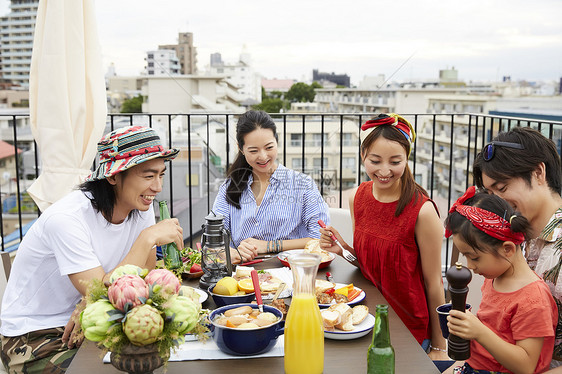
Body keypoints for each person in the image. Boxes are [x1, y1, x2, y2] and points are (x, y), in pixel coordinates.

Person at [0, 126, 184, 373]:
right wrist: (147, 238)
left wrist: (89, 301)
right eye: (148, 176)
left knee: (161, 355)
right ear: (113, 177)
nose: (158, 187)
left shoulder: (141, 205)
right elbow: (99, 290)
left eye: (161, 175)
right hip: (34, 335)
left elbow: (138, 278)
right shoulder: (67, 219)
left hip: (93, 319)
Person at [319, 113, 448, 359]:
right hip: (364, 319)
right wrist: (341, 248)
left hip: (409, 329)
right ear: (363, 157)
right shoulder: (357, 196)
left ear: (407, 159)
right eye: (375, 161)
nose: (384, 170)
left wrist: (440, 347)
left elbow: (434, 284)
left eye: (395, 161)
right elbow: (368, 265)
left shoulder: (423, 210)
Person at [472, 126, 562, 368]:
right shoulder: (511, 233)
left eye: (502, 189)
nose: (496, 202)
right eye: (490, 193)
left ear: (538, 172)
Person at [444, 187, 557, 374]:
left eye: (474, 257)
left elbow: (526, 365)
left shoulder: (533, 300)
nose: (470, 266)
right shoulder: (495, 277)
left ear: (507, 249)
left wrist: (479, 332)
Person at [212, 110, 330, 264]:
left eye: (269, 147)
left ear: (277, 142)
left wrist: (268, 245)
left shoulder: (303, 185)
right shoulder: (229, 187)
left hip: (291, 271)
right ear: (241, 149)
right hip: (241, 273)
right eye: (253, 151)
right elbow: (212, 237)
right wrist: (230, 252)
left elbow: (321, 238)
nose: (263, 156)